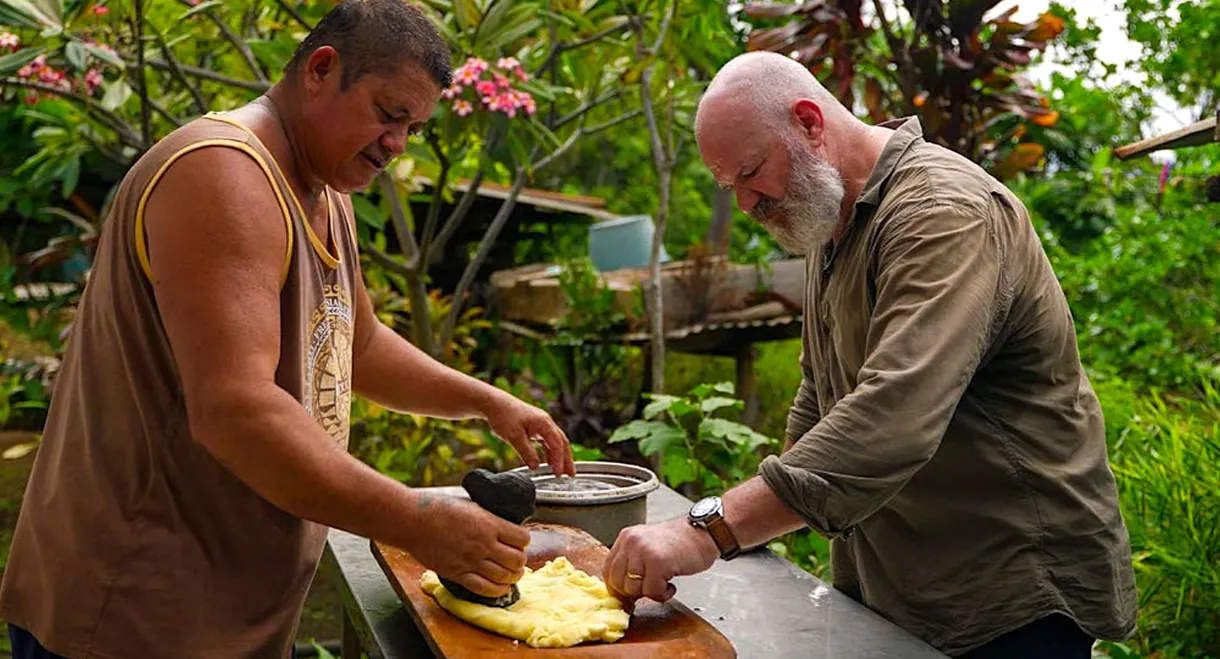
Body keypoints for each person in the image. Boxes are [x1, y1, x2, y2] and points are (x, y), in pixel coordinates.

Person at [0, 1, 575, 657]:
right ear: (321, 70)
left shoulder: (325, 191)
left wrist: (486, 401)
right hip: (133, 615)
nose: (397, 144)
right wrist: (417, 521)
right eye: (389, 115)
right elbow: (234, 409)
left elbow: (357, 345)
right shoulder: (223, 172)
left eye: (413, 129)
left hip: (226, 614)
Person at [602, 51, 1138, 659]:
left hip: (1009, 592)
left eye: (751, 172)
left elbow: (893, 414)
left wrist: (714, 527)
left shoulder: (941, 213)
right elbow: (821, 391)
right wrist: (758, 517)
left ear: (808, 123)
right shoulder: (828, 218)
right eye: (732, 187)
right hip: (907, 583)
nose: (749, 203)